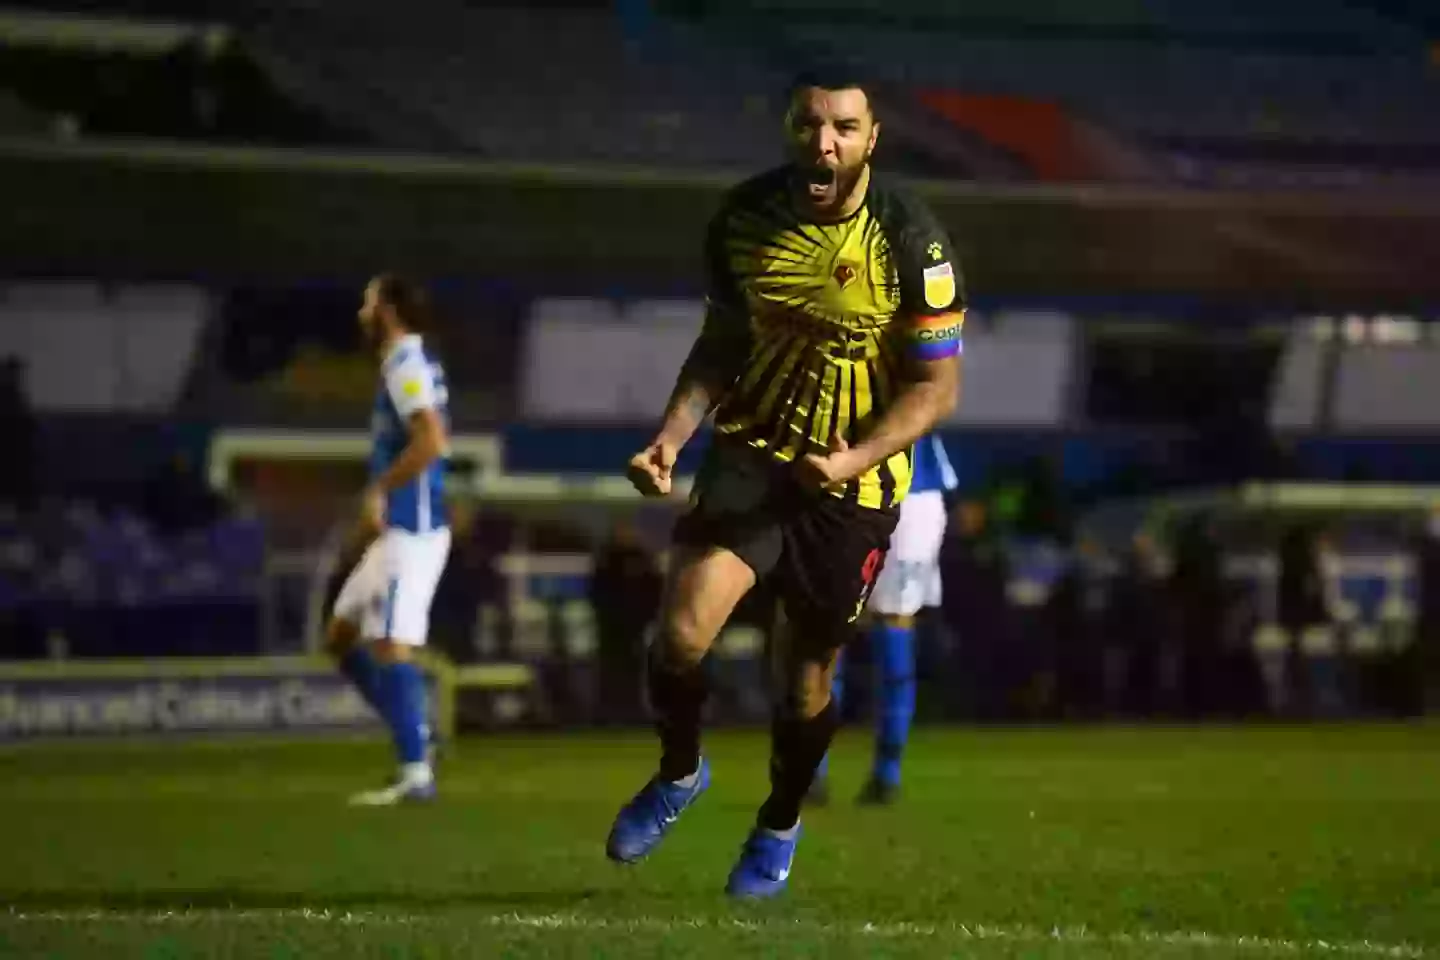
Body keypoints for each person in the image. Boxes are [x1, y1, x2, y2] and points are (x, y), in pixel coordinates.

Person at [605, 71, 966, 899]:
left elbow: (935, 389)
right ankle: (679, 772)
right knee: (680, 638)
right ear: (788, 129)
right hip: (750, 458)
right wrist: (669, 437)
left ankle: (778, 821)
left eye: (843, 127)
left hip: (854, 491)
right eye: (809, 125)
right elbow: (721, 344)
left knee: (802, 682)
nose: (824, 143)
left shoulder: (914, 243)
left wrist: (849, 459)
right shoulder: (743, 220)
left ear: (873, 138)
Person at [324, 274, 452, 805]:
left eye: (369, 299)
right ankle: (417, 732)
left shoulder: (405, 365)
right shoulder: (401, 363)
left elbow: (432, 441)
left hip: (412, 531)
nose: (362, 309)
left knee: (391, 644)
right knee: (340, 636)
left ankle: (416, 771)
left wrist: (380, 490)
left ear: (390, 309)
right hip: (394, 533)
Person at [809, 433, 958, 806]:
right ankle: (814, 772)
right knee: (828, 629)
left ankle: (885, 774)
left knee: (888, 622)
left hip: (910, 493)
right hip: (841, 487)